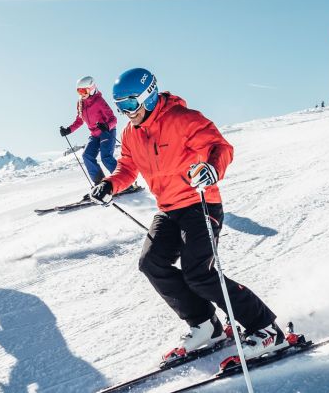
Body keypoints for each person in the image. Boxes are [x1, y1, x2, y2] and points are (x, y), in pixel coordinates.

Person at [89, 68, 288, 365]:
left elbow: (220, 147)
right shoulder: (131, 134)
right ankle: (206, 324)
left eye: (130, 104)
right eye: (120, 106)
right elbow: (127, 168)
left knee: (200, 274)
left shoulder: (182, 119)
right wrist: (109, 184)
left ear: (149, 96)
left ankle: (266, 328)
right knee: (151, 263)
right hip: (168, 209)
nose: (126, 112)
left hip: (200, 204)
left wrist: (211, 169)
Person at [59, 76, 119, 185]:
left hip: (107, 132)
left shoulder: (99, 101)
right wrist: (68, 130)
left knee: (106, 157)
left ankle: (124, 182)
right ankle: (100, 184)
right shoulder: (80, 103)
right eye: (79, 91)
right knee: (87, 156)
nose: (81, 94)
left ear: (91, 88)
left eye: (83, 90)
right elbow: (79, 120)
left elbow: (113, 119)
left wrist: (106, 126)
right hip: (95, 135)